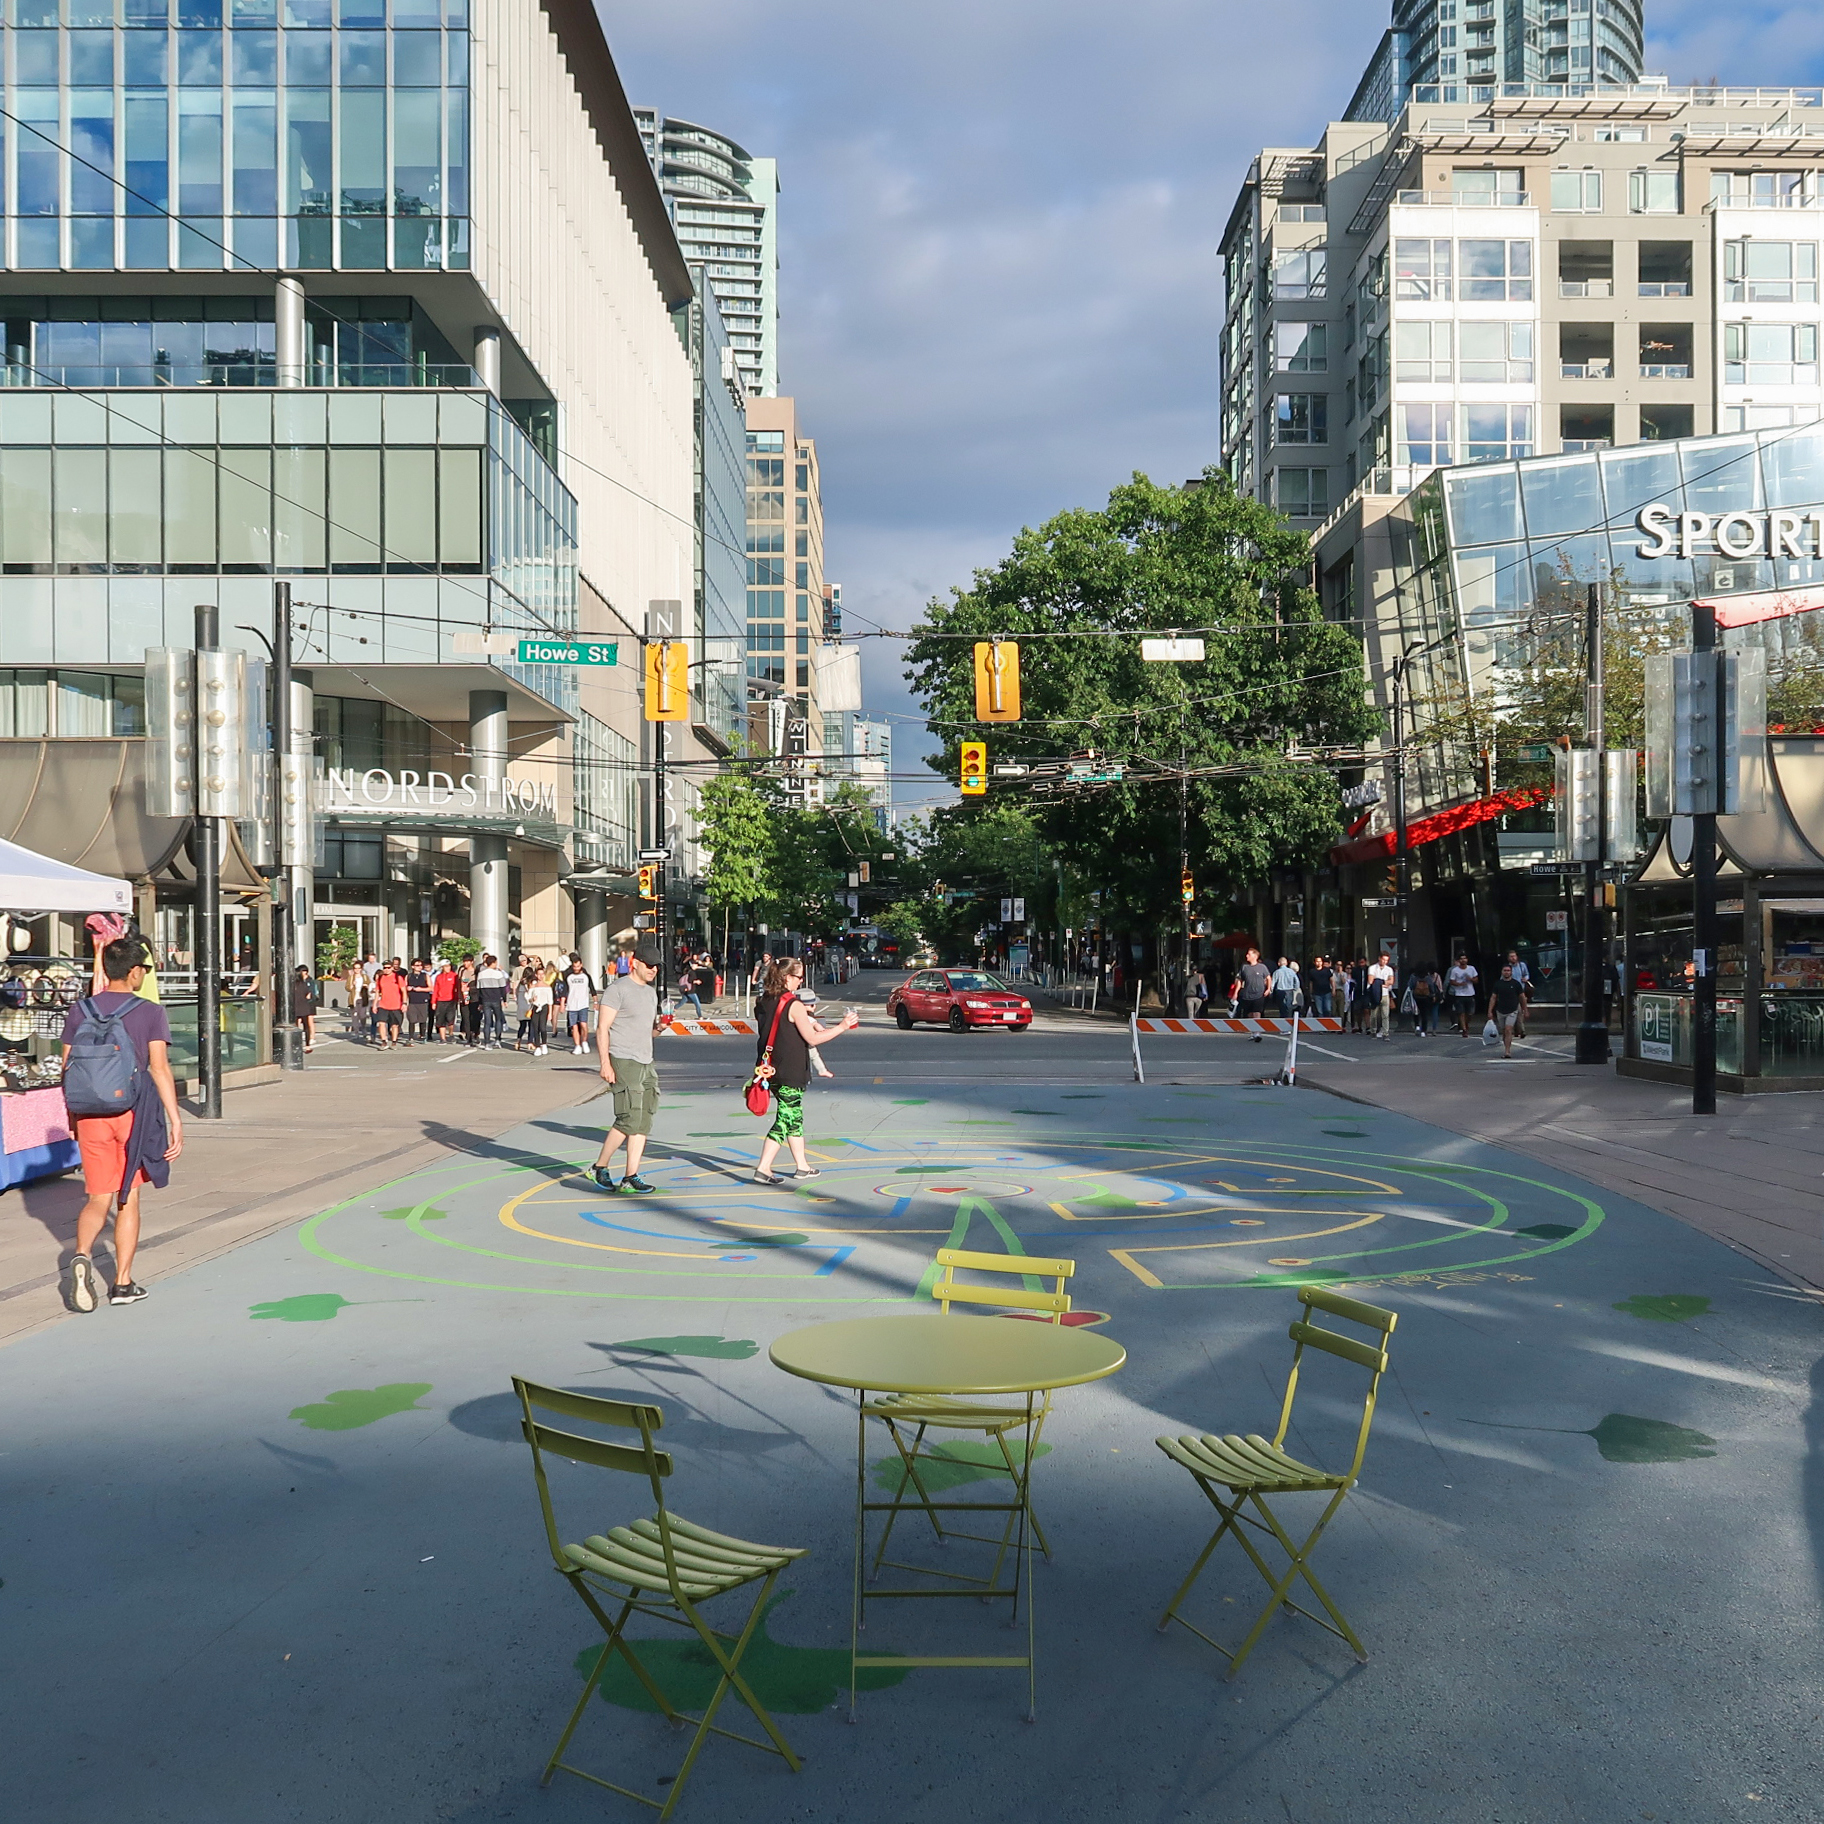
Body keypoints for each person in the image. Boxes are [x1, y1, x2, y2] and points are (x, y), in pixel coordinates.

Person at [59, 936, 183, 1312]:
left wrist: (72, 1118)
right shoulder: (149, 1012)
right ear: (133, 971)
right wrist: (175, 1119)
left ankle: (81, 1255)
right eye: (143, 968)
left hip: (90, 1115)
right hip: (134, 1111)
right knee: (127, 1197)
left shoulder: (81, 1009)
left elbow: (68, 1069)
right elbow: (159, 1069)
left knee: (98, 1197)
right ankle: (122, 1283)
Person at [750, 954, 861, 1184]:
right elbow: (812, 1038)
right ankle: (763, 1168)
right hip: (791, 1068)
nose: (800, 982)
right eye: (798, 978)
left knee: (794, 1117)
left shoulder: (763, 1001)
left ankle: (802, 1166)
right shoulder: (794, 1004)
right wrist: (843, 1026)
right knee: (784, 1119)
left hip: (770, 1067)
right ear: (787, 977)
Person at [590, 945, 669, 1194]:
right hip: (623, 1060)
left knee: (643, 1120)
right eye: (649, 965)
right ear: (634, 962)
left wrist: (661, 1028)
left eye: (656, 966)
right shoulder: (617, 990)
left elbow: (648, 1033)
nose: (653, 970)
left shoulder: (650, 993)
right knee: (628, 1118)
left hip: (646, 1060)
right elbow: (602, 1028)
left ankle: (630, 1176)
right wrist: (605, 1063)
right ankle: (599, 1167)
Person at [1488, 962, 1529, 1059]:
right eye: (1505, 971)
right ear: (1502, 972)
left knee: (1508, 1029)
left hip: (1512, 1010)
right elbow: (1493, 998)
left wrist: (1525, 1010)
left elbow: (1522, 998)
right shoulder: (1498, 984)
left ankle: (1507, 1051)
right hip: (1500, 1010)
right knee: (1504, 1030)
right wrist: (1490, 1011)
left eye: (1508, 971)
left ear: (1511, 972)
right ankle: (1506, 1046)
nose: (1506, 972)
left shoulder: (1516, 984)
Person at [1231, 946, 1272, 1042]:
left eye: (1249, 954)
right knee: (1249, 1014)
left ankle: (1257, 1032)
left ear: (1255, 956)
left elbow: (1268, 978)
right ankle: (1253, 1032)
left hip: (1259, 994)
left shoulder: (1262, 967)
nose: (1246, 956)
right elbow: (1240, 980)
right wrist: (1236, 993)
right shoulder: (1244, 967)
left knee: (1257, 1012)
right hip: (1247, 994)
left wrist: (1268, 989)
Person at [475, 953, 509, 1048]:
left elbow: (479, 990)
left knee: (487, 1021)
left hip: (485, 1000)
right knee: (498, 1019)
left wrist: (480, 1002)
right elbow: (503, 988)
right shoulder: (498, 974)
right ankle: (498, 1040)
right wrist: (504, 1000)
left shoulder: (481, 974)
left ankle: (486, 1042)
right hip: (496, 999)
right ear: (493, 963)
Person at [562, 955, 595, 1054]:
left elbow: (592, 989)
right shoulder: (569, 976)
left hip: (583, 1004)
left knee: (583, 1025)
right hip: (572, 1005)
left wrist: (595, 1001)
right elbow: (565, 990)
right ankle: (577, 1045)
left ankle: (584, 1041)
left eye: (578, 966)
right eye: (574, 966)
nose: (576, 968)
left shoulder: (586, 976)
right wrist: (563, 1003)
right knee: (574, 1026)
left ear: (581, 965)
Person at [371, 959, 406, 1048]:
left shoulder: (397, 978)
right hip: (383, 1005)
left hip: (396, 1005)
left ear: (392, 968)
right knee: (381, 1023)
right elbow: (377, 992)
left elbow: (404, 991)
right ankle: (384, 1041)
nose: (386, 969)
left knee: (394, 1025)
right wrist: (375, 1005)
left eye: (388, 967)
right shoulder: (381, 978)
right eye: (384, 968)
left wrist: (404, 1003)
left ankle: (394, 1042)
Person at [1446, 952, 1480, 1038]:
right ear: (1458, 960)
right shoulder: (1455, 970)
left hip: (1470, 993)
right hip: (1459, 994)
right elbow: (1451, 981)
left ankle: (1466, 1024)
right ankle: (1464, 1029)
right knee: (1461, 1012)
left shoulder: (1471, 969)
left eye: (1465, 958)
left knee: (1470, 1013)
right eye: (1461, 958)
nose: (1463, 960)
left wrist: (1471, 979)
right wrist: (1459, 984)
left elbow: (1476, 980)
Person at [1366, 951, 1395, 1040]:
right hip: (1375, 993)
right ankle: (1373, 1031)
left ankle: (1385, 1033)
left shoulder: (1389, 969)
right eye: (1383, 959)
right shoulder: (1372, 968)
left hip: (1385, 993)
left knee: (1385, 1014)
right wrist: (1384, 982)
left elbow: (1392, 981)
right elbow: (1371, 981)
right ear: (1379, 958)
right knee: (1374, 1014)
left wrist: (1378, 982)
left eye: (1386, 960)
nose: (1384, 962)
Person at [430, 957, 459, 1041]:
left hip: (451, 1000)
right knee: (440, 1020)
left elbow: (458, 988)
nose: (447, 968)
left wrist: (458, 998)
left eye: (448, 966)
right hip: (440, 1000)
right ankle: (443, 1038)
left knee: (450, 1019)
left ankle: (451, 1033)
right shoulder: (439, 977)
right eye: (445, 966)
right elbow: (436, 989)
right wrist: (433, 1002)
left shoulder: (454, 976)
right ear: (442, 967)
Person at [526, 967, 553, 1056]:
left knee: (543, 1028)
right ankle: (537, 1046)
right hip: (535, 1007)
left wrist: (550, 1013)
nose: (541, 976)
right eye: (539, 974)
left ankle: (544, 1044)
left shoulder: (548, 987)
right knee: (535, 1027)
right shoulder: (533, 987)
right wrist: (532, 999)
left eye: (542, 974)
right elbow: (528, 999)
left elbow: (550, 1001)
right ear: (536, 975)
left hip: (544, 1007)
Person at [291, 964, 318, 1052]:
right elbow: (309, 995)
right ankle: (307, 1045)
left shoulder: (292, 985)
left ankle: (295, 1044)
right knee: (306, 1026)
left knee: (295, 1025)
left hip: (295, 1006)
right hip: (305, 1006)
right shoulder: (305, 984)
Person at [1505, 950, 1532, 1038]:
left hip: (1521, 991)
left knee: (1520, 1011)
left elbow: (1527, 974)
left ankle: (1520, 1030)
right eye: (1511, 956)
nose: (1513, 958)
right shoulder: (1507, 968)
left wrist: (1525, 978)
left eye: (1514, 956)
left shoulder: (1521, 965)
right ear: (1508, 958)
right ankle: (1519, 1030)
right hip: (1511, 992)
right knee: (1515, 1012)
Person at [405, 958, 431, 1045]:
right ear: (412, 966)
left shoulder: (425, 975)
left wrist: (421, 989)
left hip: (423, 1000)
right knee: (411, 1019)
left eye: (421, 965)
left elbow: (431, 988)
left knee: (423, 1019)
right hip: (412, 1001)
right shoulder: (408, 976)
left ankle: (422, 1035)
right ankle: (411, 1036)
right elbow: (403, 988)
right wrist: (407, 989)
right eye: (417, 965)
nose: (419, 967)